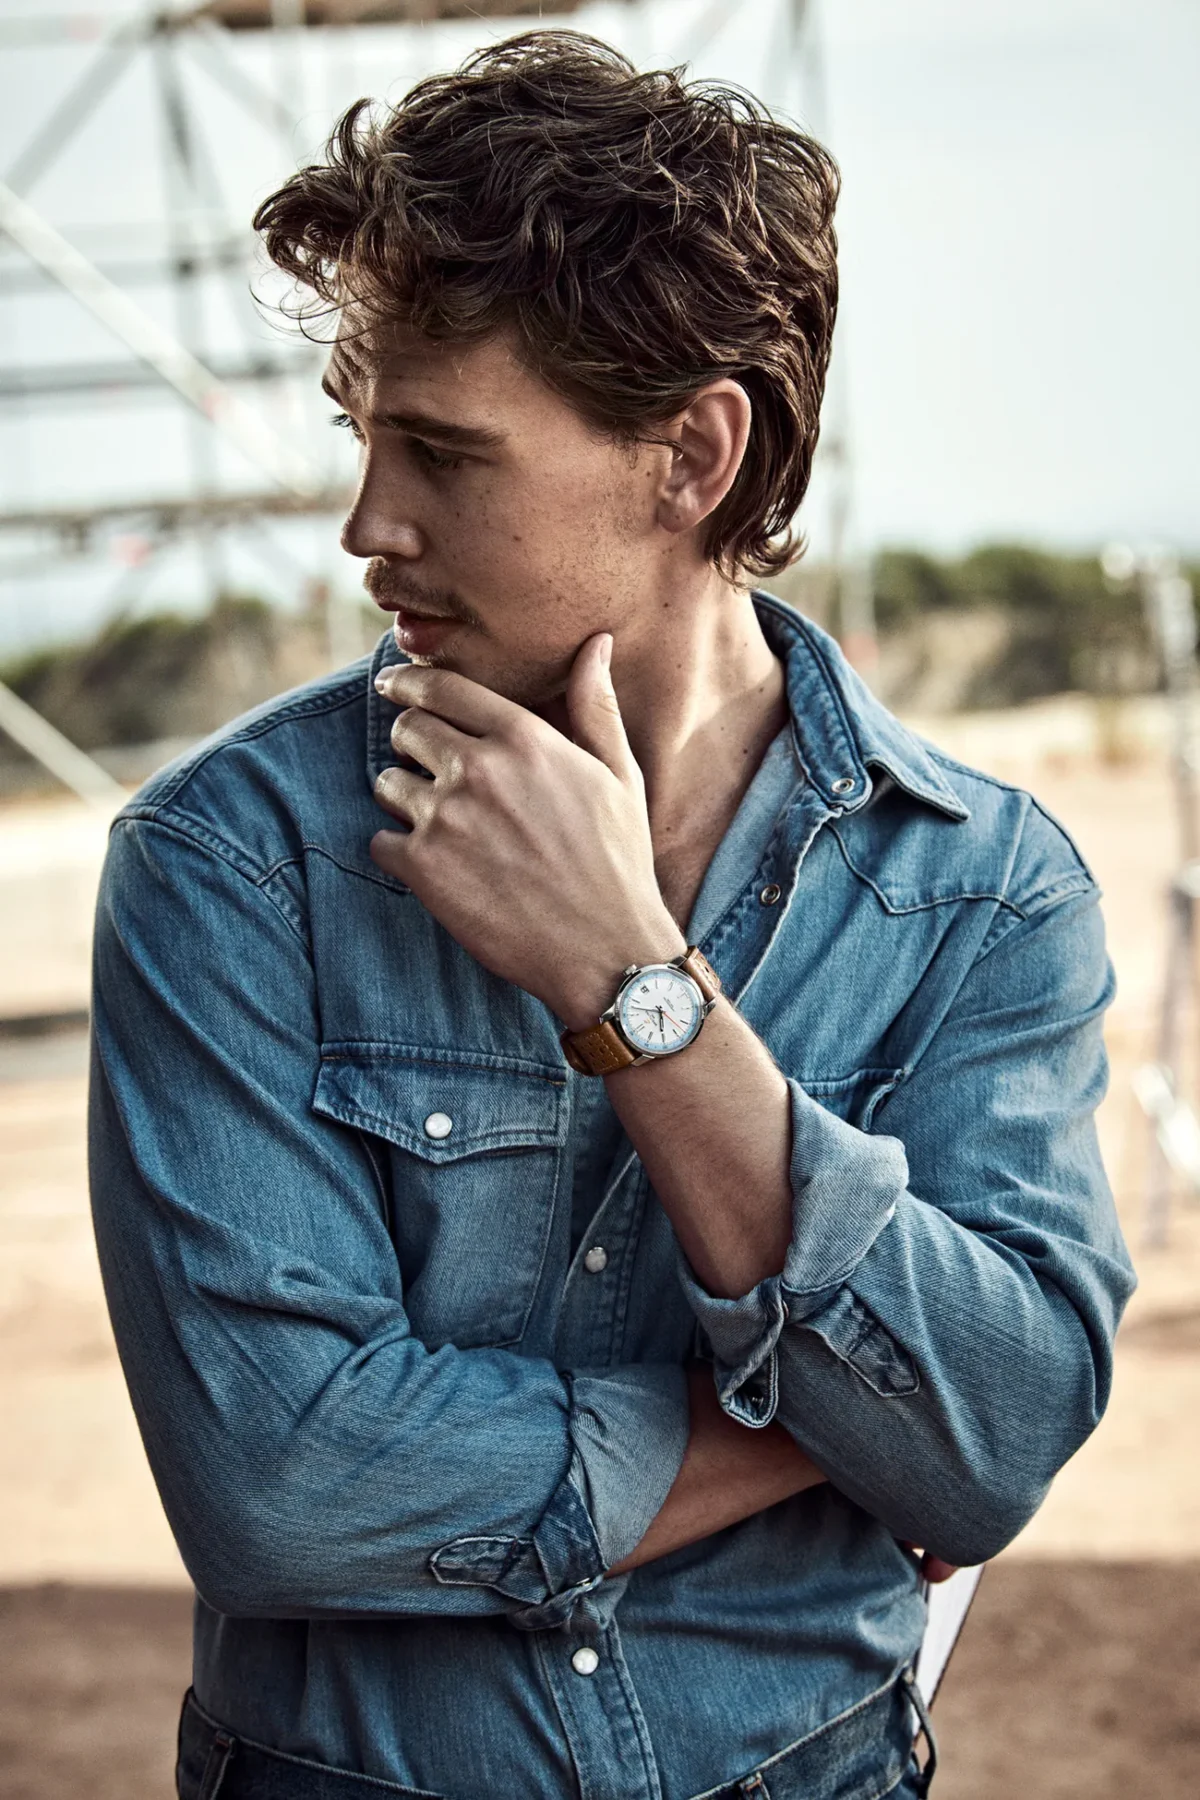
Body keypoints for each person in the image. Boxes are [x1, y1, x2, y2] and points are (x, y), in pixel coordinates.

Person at [89, 31, 1135, 1800]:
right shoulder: (232, 865)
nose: (366, 525)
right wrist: (817, 1427)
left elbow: (1001, 1435)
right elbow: (283, 1488)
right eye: (363, 438)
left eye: (444, 453)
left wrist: (630, 981)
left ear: (695, 454)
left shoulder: (983, 888)